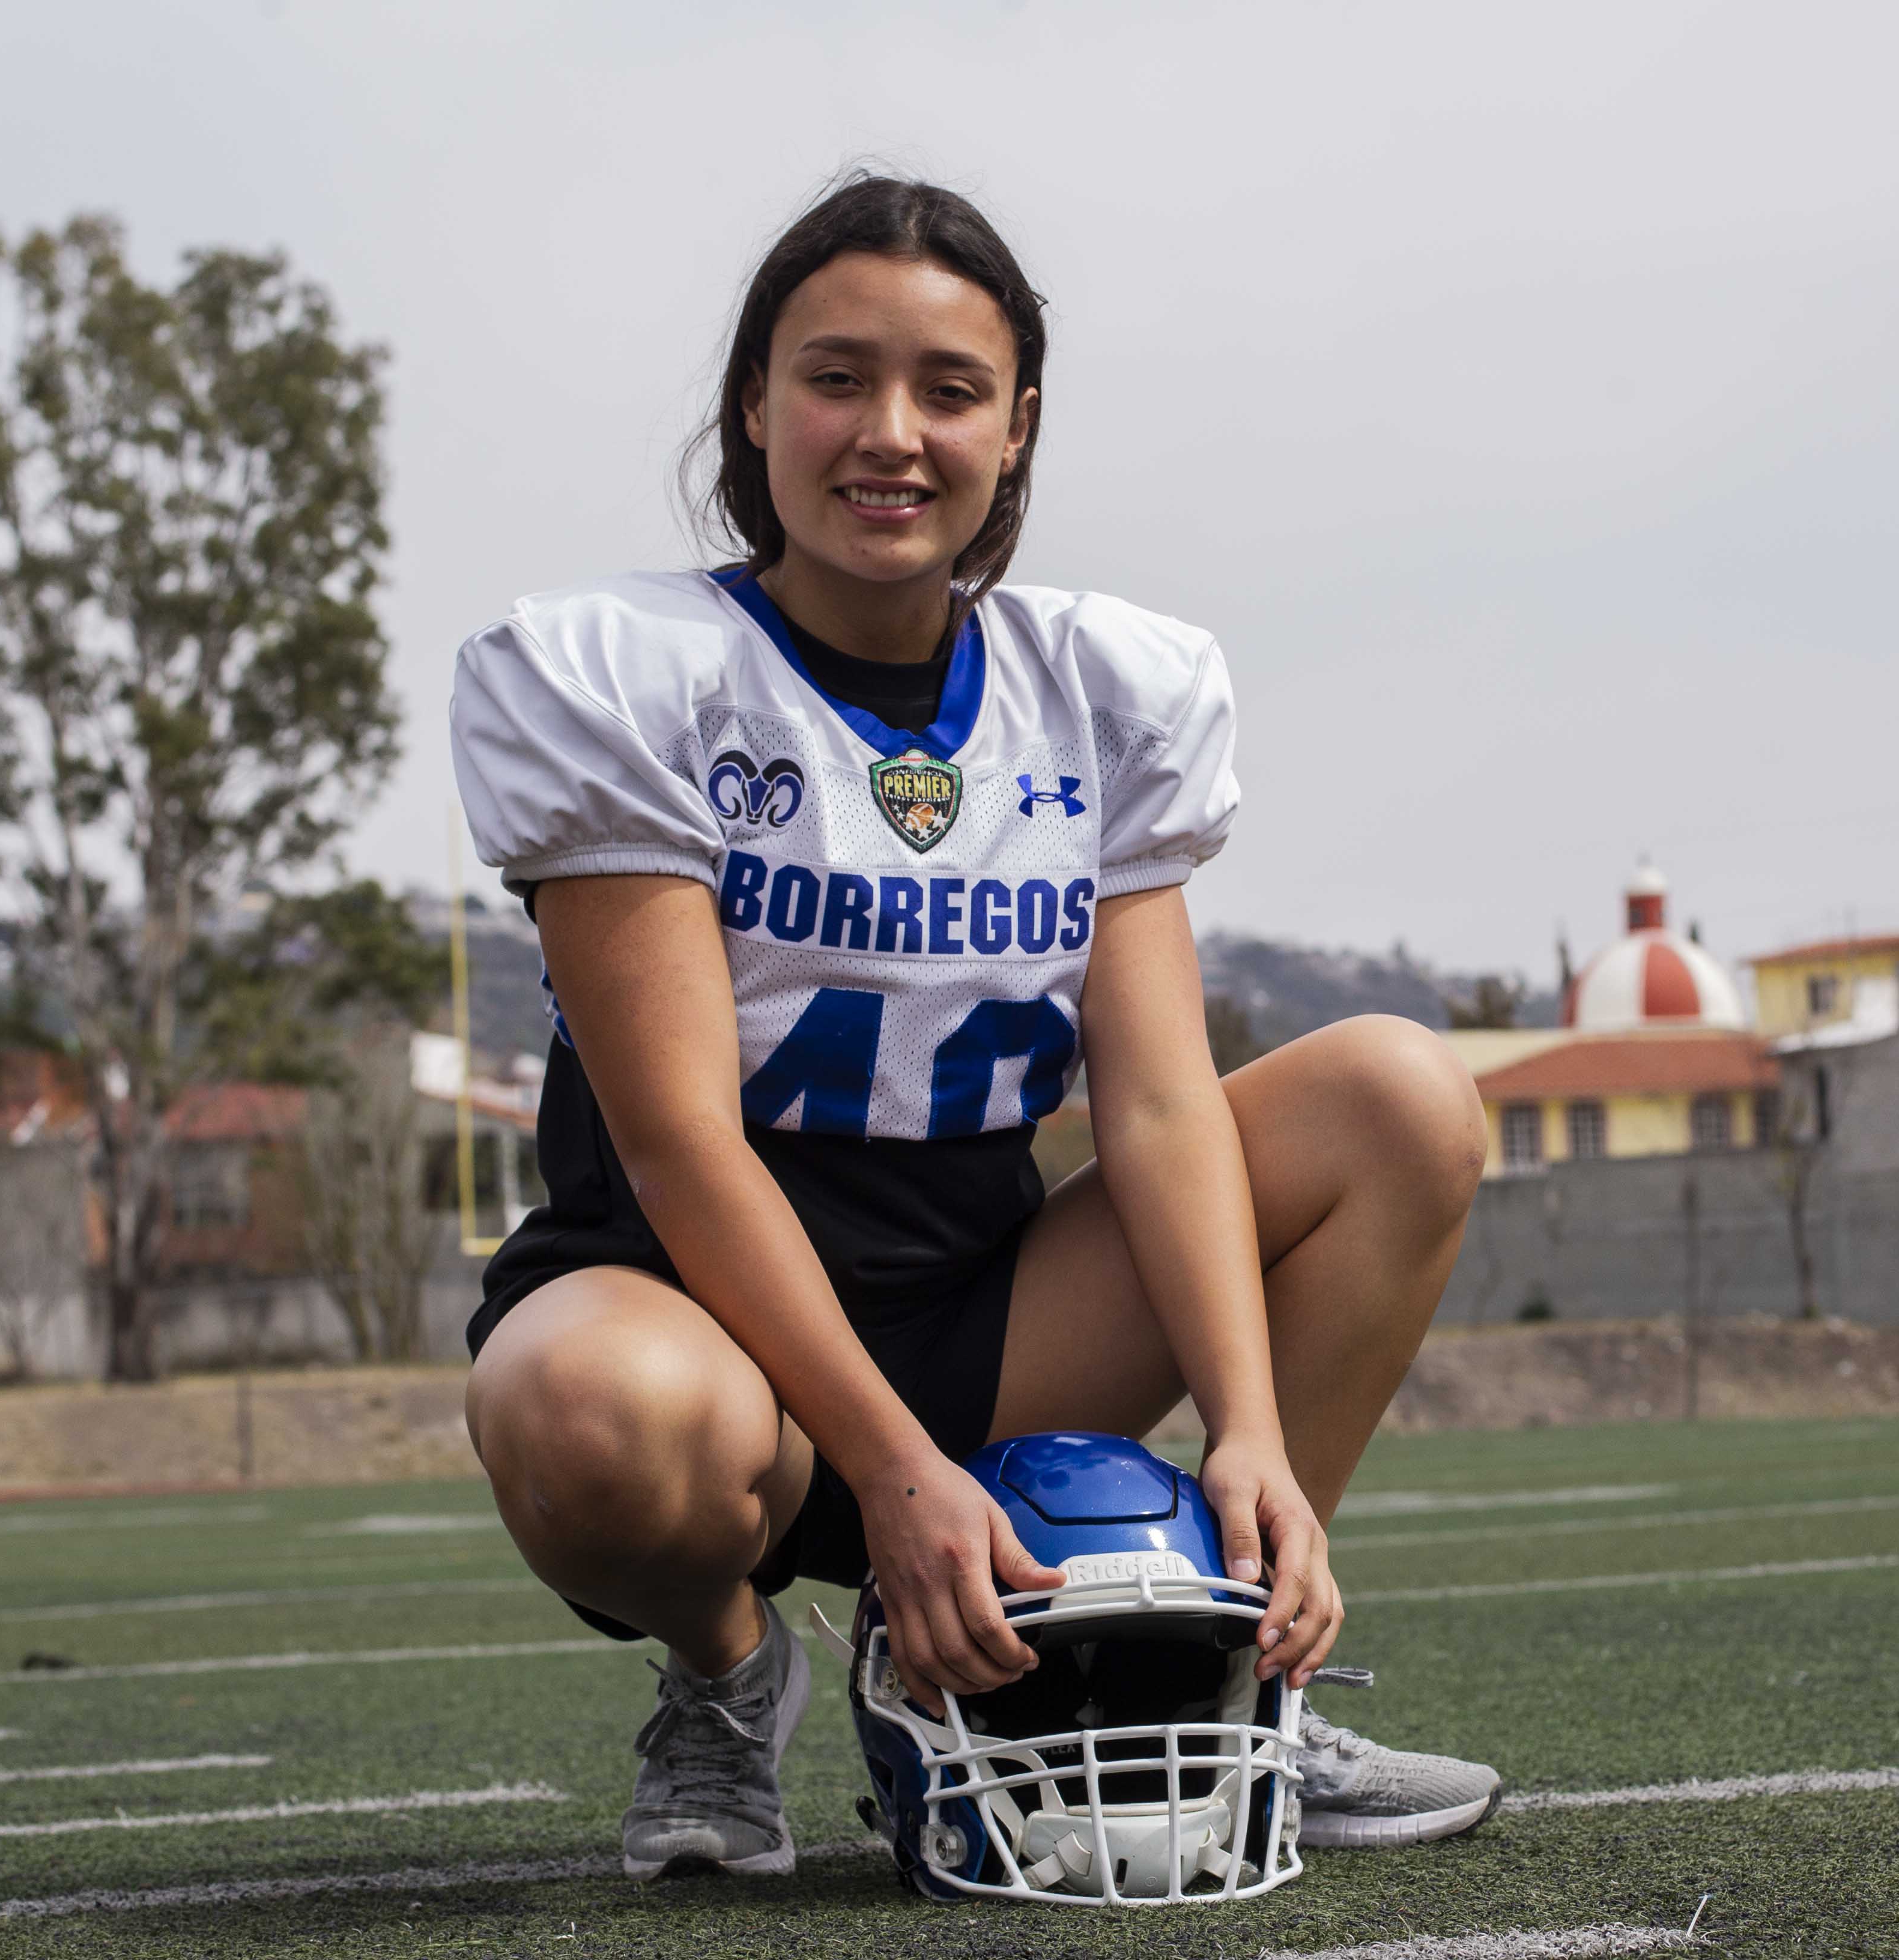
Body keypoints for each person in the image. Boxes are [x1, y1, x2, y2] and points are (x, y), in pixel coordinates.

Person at [448, 172, 1497, 1883]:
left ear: (1017, 429)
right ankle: (726, 1677)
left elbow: (1156, 1113)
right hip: (701, 1334)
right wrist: (896, 1472)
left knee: (1398, 1093)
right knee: (582, 1408)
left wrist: (1246, 1427)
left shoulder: (1098, 689)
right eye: (838, 378)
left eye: (949, 390)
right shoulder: (630, 674)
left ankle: (1245, 1676)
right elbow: (679, 1140)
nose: (893, 434)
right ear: (754, 406)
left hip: (992, 1315)